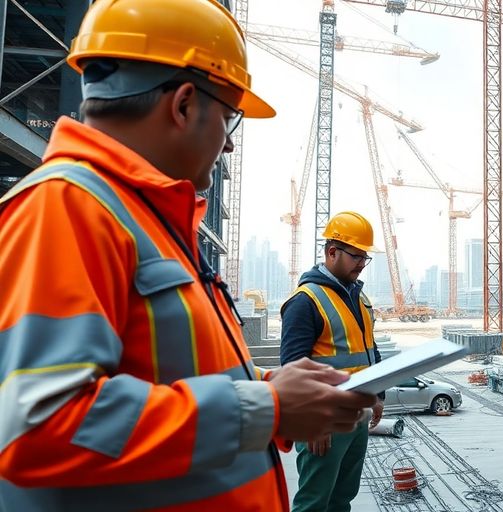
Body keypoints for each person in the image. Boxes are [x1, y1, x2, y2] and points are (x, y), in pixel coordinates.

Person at [0, 1, 377, 510]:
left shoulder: (143, 221)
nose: (228, 148)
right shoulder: (66, 208)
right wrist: (265, 408)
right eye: (228, 118)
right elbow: (39, 425)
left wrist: (275, 387)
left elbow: (169, 376)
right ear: (182, 105)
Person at [280, 211, 386, 512]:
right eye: (356, 256)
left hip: (357, 416)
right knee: (314, 503)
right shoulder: (305, 301)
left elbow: (370, 351)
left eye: (366, 257)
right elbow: (293, 370)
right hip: (324, 421)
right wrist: (315, 421)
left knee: (342, 500)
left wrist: (377, 397)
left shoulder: (360, 299)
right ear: (332, 252)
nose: (362, 263)